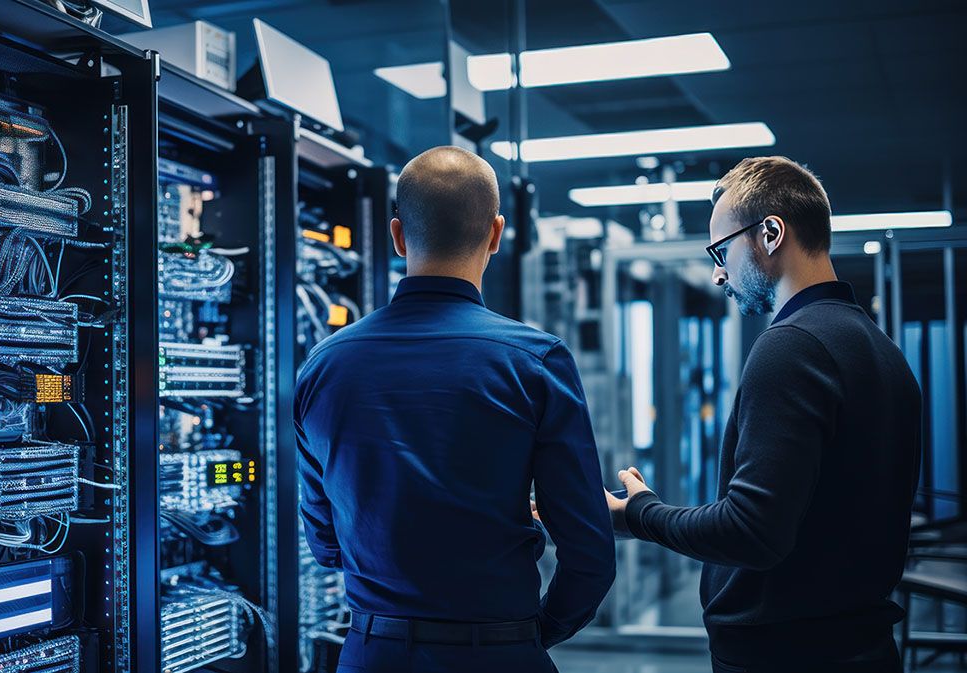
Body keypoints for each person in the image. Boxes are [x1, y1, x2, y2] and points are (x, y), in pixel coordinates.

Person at [294, 146, 615, 673]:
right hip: (498, 653)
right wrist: (529, 637)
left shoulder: (324, 366)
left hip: (372, 655)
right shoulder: (535, 362)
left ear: (397, 236)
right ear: (495, 233)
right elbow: (590, 555)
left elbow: (325, 544)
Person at [607, 156, 922, 673]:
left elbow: (751, 532)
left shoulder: (792, 347)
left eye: (721, 250)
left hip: (786, 657)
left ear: (771, 233)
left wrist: (638, 514)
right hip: (860, 649)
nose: (716, 273)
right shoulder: (881, 351)